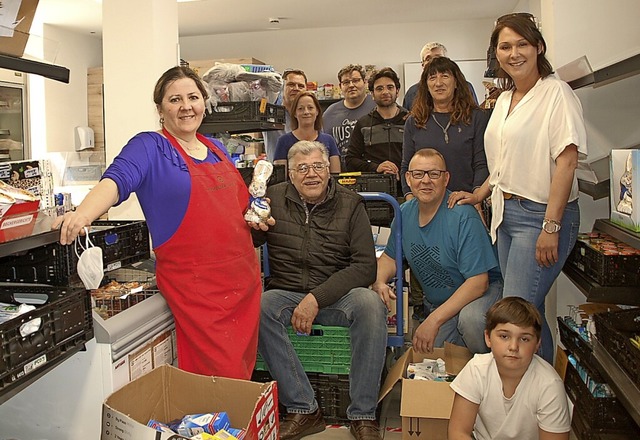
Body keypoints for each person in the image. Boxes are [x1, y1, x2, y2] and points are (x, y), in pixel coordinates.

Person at [53, 66, 264, 380]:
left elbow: (240, 209)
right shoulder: (150, 147)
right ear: (160, 109)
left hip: (243, 284)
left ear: (204, 103)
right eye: (174, 99)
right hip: (199, 291)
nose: (185, 106)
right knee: (218, 383)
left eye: (193, 97)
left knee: (240, 378)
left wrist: (259, 214)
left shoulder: (217, 149)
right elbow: (116, 181)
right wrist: (83, 214)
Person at [449, 13, 587, 363]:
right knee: (528, 310)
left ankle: (528, 399)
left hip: (540, 216)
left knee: (513, 316)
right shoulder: (507, 98)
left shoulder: (556, 93)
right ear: (496, 54)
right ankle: (542, 397)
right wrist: (480, 194)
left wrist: (550, 227)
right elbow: (505, 161)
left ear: (538, 47)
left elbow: (567, 162)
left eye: (522, 44)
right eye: (505, 46)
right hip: (506, 215)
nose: (514, 53)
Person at [252, 140, 388, 440]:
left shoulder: (351, 203)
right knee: (261, 307)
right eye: (302, 168)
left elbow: (365, 266)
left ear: (329, 170)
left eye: (317, 166)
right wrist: (251, 228)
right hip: (287, 292)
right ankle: (303, 407)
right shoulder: (271, 198)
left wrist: (317, 298)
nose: (310, 174)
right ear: (290, 173)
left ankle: (363, 414)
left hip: (339, 297)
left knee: (371, 305)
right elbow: (250, 243)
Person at [373, 149, 502, 354]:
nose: (426, 181)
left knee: (471, 321)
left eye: (434, 174)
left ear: (446, 178)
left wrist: (433, 320)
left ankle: (491, 371)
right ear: (408, 178)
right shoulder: (404, 212)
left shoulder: (462, 216)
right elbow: (390, 258)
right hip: (444, 305)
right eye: (418, 174)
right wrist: (379, 281)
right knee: (428, 359)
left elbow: (479, 283)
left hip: (480, 297)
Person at [448, 297, 571, 440]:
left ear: (537, 344)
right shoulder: (477, 369)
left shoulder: (549, 385)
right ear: (488, 338)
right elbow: (458, 432)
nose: (513, 347)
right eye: (504, 336)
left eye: (524, 339)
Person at [401, 56, 490, 200]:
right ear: (426, 86)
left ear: (456, 82)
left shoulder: (476, 118)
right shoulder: (414, 122)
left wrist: (475, 198)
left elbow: (481, 164)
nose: (438, 83)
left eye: (445, 76)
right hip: (425, 203)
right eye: (432, 78)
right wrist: (411, 199)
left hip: (464, 201)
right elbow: (406, 167)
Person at [345, 67, 409, 194]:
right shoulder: (363, 124)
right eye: (379, 88)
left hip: (408, 190)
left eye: (390, 87)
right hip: (375, 191)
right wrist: (376, 167)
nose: (385, 92)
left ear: (398, 91)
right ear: (372, 95)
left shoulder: (410, 121)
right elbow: (351, 160)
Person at [273, 91, 341, 174]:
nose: (306, 112)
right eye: (300, 109)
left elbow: (335, 176)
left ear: (317, 111)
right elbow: (280, 179)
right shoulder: (283, 141)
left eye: (310, 107)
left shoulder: (329, 140)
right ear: (294, 113)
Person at [323, 64, 376, 169]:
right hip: (341, 175)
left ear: (365, 82)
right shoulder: (329, 114)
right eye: (346, 82)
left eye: (356, 80)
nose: (351, 85)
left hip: (371, 172)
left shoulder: (377, 106)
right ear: (340, 86)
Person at [403, 42, 478, 111]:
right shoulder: (412, 92)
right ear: (422, 65)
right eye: (428, 59)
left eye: (438, 58)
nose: (434, 62)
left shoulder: (465, 87)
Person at [263, 68, 307, 162]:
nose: (296, 88)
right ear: (282, 88)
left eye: (301, 86)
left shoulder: (311, 118)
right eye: (291, 85)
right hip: (278, 173)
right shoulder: (269, 114)